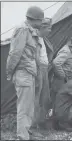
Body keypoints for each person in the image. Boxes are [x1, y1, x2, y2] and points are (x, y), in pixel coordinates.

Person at [6, 6, 44, 140]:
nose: (42, 23)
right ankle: (22, 136)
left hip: (28, 73)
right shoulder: (22, 30)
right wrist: (9, 72)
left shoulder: (30, 30)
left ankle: (25, 133)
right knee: (24, 107)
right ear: (35, 20)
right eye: (41, 20)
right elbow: (15, 53)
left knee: (28, 107)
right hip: (23, 73)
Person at [33, 18, 54, 130]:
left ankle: (41, 123)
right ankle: (34, 126)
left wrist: (47, 64)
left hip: (44, 68)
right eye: (49, 28)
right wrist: (39, 69)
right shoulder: (36, 39)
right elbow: (36, 57)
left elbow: (48, 52)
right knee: (38, 98)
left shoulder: (43, 38)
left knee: (45, 97)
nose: (50, 30)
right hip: (39, 69)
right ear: (43, 28)